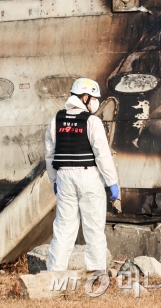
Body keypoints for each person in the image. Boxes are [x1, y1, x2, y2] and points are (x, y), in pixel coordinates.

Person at [45, 77, 120, 273]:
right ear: (85, 97)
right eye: (94, 97)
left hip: (64, 177)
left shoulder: (56, 120)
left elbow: (50, 154)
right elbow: (102, 155)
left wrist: (54, 179)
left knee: (63, 227)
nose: (95, 101)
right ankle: (96, 272)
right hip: (88, 177)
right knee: (93, 227)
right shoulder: (92, 121)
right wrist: (112, 182)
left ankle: (55, 272)